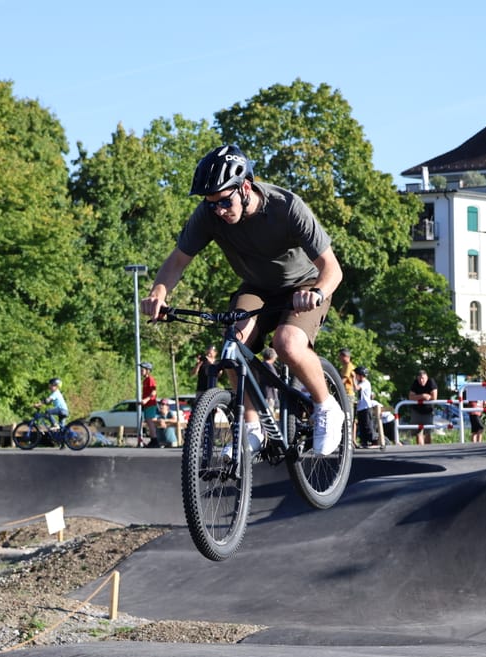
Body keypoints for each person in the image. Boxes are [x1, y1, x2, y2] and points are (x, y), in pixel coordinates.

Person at [141, 144, 345, 456]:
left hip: (302, 286)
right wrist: (158, 293)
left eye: (225, 202)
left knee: (287, 343)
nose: (219, 211)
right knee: (232, 348)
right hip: (257, 287)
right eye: (212, 205)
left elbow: (332, 269)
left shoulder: (286, 207)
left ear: (245, 187)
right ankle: (251, 429)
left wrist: (316, 293)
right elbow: (178, 261)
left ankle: (327, 407)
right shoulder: (210, 215)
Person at [407, 369, 438, 445]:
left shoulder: (431, 382)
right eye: (420, 378)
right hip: (416, 410)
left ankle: (428, 449)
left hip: (428, 410)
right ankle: (420, 449)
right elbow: (410, 397)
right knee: (417, 432)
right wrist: (423, 396)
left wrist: (417, 397)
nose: (421, 380)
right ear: (417, 378)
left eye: (423, 378)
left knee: (428, 432)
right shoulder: (415, 383)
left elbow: (434, 397)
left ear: (427, 377)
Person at [354, 366, 377, 447]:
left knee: (368, 425)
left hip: (366, 407)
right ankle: (364, 441)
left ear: (361, 375)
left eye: (356, 375)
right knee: (362, 426)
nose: (355, 377)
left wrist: (353, 379)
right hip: (361, 407)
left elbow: (356, 388)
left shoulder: (365, 383)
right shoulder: (361, 383)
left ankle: (373, 440)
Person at [139, 362, 159, 446]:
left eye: (142, 369)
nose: (141, 371)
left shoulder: (150, 379)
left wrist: (146, 400)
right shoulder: (145, 380)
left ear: (147, 371)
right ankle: (153, 440)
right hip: (147, 404)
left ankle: (154, 441)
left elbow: (154, 391)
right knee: (148, 422)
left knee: (150, 422)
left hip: (150, 403)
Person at [261, 346, 281, 413]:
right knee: (270, 413)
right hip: (269, 395)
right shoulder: (269, 366)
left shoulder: (260, 365)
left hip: (263, 393)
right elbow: (275, 380)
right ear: (272, 357)